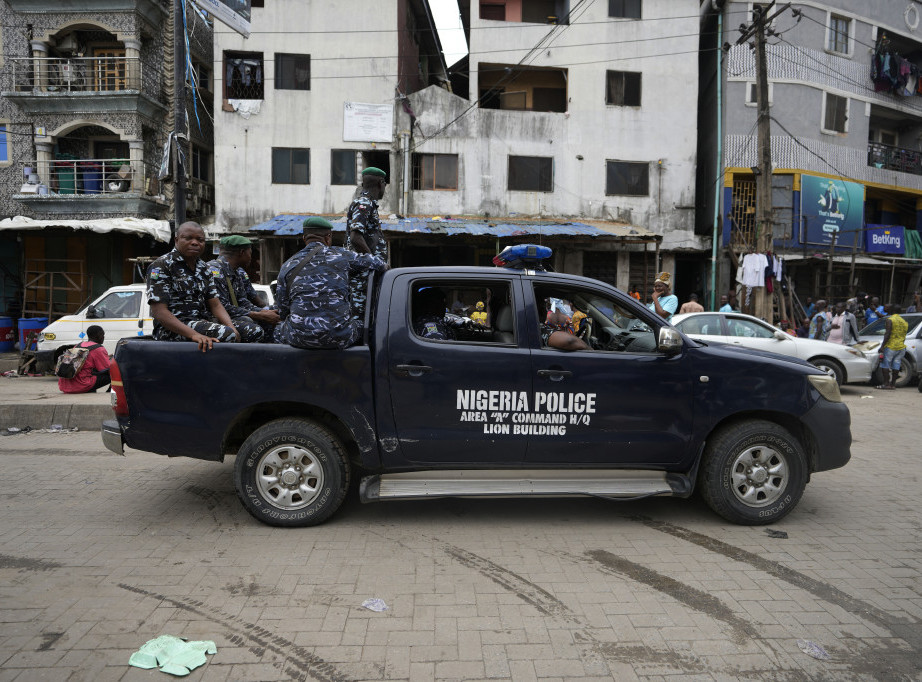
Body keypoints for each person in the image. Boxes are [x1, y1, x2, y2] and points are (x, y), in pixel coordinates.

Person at [274, 217, 386, 350]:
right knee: (362, 325)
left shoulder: (287, 265)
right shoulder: (342, 255)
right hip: (340, 337)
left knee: (277, 329)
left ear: (304, 238)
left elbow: (283, 310)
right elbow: (378, 263)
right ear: (328, 237)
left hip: (299, 339)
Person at [147, 221, 239, 351]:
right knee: (227, 334)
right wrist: (194, 334)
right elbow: (159, 312)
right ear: (176, 240)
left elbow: (215, 304)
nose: (195, 243)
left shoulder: (204, 268)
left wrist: (232, 327)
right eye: (188, 238)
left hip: (202, 322)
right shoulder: (162, 266)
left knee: (253, 331)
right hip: (173, 329)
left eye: (200, 240)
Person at [207, 235, 280, 343]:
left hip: (232, 316)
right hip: (215, 319)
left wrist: (264, 312)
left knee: (272, 317)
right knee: (254, 329)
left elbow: (243, 302)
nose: (251, 258)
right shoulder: (214, 271)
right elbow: (222, 307)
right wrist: (259, 315)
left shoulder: (236, 271)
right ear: (242, 252)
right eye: (250, 253)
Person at [346, 167, 389, 326]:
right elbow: (356, 237)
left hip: (367, 275)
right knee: (361, 321)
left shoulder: (368, 203)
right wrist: (376, 263)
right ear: (381, 183)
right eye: (385, 184)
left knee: (369, 318)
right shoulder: (364, 203)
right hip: (363, 277)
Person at [57, 325, 110, 394]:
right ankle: (110, 393)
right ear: (99, 335)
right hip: (81, 384)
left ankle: (91, 390)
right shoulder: (98, 348)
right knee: (114, 373)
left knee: (90, 370)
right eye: (102, 335)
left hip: (65, 386)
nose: (103, 337)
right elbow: (107, 368)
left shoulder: (78, 345)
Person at [878, 304, 908, 389]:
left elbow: (887, 334)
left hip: (891, 346)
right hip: (901, 347)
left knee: (885, 365)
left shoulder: (890, 319)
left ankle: (886, 384)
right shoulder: (904, 322)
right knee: (896, 365)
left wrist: (882, 346)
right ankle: (893, 384)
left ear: (892, 310)